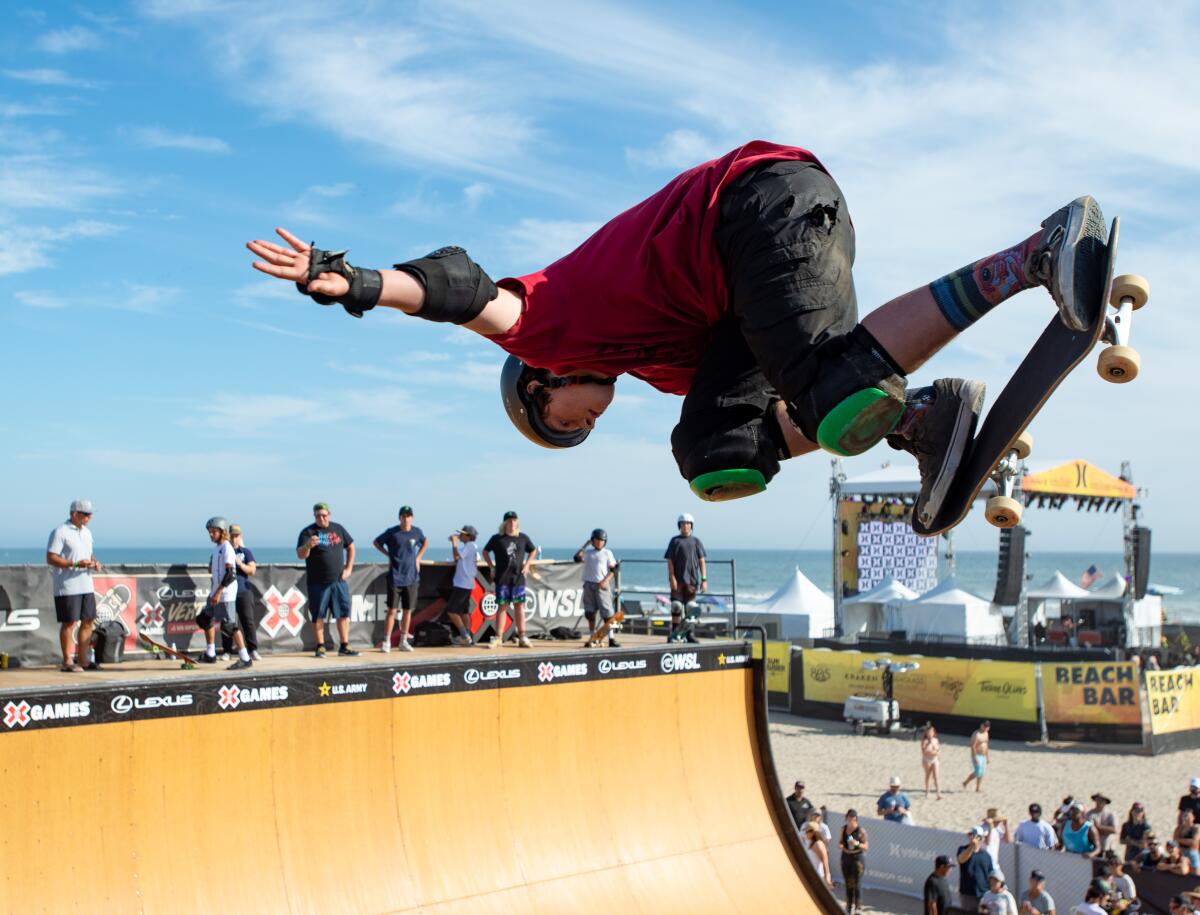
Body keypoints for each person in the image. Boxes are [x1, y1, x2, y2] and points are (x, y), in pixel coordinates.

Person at [247, 144, 1109, 538]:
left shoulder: (552, 324)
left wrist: (356, 283)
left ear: (541, 383)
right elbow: (771, 409)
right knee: (717, 452)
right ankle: (926, 418)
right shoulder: (663, 373)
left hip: (755, 207)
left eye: (567, 423)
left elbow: (461, 286)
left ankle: (1034, 255)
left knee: (829, 387)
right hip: (764, 273)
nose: (585, 425)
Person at [45, 499, 102, 672]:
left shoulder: (87, 532)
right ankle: (67, 660)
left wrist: (95, 562)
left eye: (91, 514)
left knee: (88, 621)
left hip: (86, 584)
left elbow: (88, 554)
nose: (89, 517)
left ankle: (83, 659)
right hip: (67, 585)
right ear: (75, 514)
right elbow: (51, 558)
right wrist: (76, 564)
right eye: (86, 514)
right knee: (69, 622)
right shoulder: (60, 532)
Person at [296, 502, 358, 657]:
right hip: (318, 582)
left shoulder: (338, 529)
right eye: (318, 515)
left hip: (338, 581)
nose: (321, 518)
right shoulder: (307, 532)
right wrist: (308, 546)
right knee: (318, 615)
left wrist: (349, 568)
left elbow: (351, 547)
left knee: (343, 614)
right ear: (314, 516)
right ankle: (320, 646)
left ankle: (344, 646)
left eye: (324, 515)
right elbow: (300, 554)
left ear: (329, 514)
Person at [197, 518, 253, 670]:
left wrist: (218, 592)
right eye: (209, 532)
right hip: (215, 592)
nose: (211, 535)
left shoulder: (227, 547)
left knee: (228, 626)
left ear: (222, 532)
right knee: (204, 619)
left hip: (225, 593)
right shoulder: (217, 549)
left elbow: (231, 574)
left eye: (214, 532)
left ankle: (245, 658)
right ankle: (210, 654)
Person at [373, 505, 428, 653]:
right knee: (392, 610)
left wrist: (418, 558)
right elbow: (376, 542)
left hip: (411, 577)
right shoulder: (392, 532)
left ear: (412, 518)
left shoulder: (417, 532)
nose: (406, 518)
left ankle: (403, 641)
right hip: (395, 577)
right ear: (399, 518)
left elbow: (425, 542)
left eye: (408, 516)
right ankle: (387, 641)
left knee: (407, 611)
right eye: (403, 516)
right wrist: (387, 554)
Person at [482, 512, 537, 648]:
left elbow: (533, 550)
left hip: (518, 577)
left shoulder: (523, 537)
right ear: (504, 523)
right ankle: (499, 637)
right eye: (509, 521)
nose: (512, 523)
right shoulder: (497, 538)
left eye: (514, 521)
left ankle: (522, 636)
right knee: (502, 606)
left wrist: (527, 564)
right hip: (502, 577)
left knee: (519, 607)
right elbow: (485, 551)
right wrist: (491, 567)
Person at [220, 524, 261, 661]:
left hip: (243, 590)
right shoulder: (222, 551)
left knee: (247, 621)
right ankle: (227, 651)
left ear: (240, 537)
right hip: (227, 592)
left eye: (236, 536)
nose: (233, 539)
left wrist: (240, 564)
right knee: (227, 622)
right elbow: (211, 568)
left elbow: (253, 570)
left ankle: (253, 650)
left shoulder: (245, 552)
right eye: (231, 536)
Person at [664, 513, 706, 643]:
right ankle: (675, 634)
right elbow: (670, 561)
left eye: (688, 523)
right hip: (677, 581)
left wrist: (704, 580)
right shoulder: (674, 541)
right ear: (679, 526)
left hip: (692, 581)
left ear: (691, 525)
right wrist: (672, 577)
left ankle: (690, 634)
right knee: (676, 606)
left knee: (691, 608)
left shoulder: (696, 541)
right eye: (683, 523)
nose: (685, 526)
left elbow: (702, 561)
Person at [574, 529, 619, 647]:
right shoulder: (588, 553)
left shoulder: (607, 553)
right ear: (592, 540)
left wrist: (606, 581)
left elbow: (614, 569)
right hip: (589, 585)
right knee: (590, 613)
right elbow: (576, 558)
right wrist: (585, 545)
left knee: (608, 614)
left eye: (602, 540)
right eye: (597, 540)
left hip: (601, 585)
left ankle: (612, 638)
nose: (600, 542)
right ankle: (592, 637)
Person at [442, 526, 480, 647]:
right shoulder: (473, 547)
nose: (460, 536)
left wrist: (453, 543)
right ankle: (468, 637)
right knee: (464, 612)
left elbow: (457, 557)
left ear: (469, 536)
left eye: (463, 534)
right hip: (467, 583)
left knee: (452, 611)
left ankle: (465, 635)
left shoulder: (469, 546)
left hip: (462, 584)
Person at [958, 825, 994, 913]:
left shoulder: (986, 856)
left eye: (977, 836)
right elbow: (961, 859)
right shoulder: (963, 849)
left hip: (984, 895)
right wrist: (972, 847)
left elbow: (990, 875)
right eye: (971, 835)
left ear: (982, 838)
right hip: (968, 894)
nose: (973, 838)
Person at [838, 809, 868, 915]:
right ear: (846, 818)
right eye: (849, 818)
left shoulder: (861, 831)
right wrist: (841, 845)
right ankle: (849, 906)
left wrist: (857, 844)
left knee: (857, 883)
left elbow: (866, 847)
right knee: (848, 883)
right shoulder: (843, 829)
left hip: (857, 857)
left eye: (853, 819)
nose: (851, 821)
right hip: (846, 856)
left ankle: (858, 907)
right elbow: (840, 843)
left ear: (856, 819)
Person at [803, 822, 834, 890]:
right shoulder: (811, 843)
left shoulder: (818, 844)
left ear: (813, 832)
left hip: (818, 877)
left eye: (807, 831)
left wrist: (827, 879)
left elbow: (825, 862)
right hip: (812, 876)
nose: (805, 833)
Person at [963, 721, 991, 792]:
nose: (985, 727)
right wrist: (975, 757)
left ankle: (978, 788)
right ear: (981, 725)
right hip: (977, 755)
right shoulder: (976, 734)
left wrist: (987, 756)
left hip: (983, 755)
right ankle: (966, 782)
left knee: (982, 773)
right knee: (978, 772)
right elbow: (973, 746)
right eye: (984, 726)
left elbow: (986, 745)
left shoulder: (986, 734)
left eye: (987, 726)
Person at [921, 724, 942, 800]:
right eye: (928, 732)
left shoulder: (936, 740)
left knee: (936, 777)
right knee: (928, 776)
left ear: (933, 733)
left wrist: (935, 752)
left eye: (931, 732)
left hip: (934, 759)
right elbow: (924, 752)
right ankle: (927, 791)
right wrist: (928, 744)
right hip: (927, 760)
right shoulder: (924, 741)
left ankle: (938, 794)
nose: (930, 734)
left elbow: (938, 750)